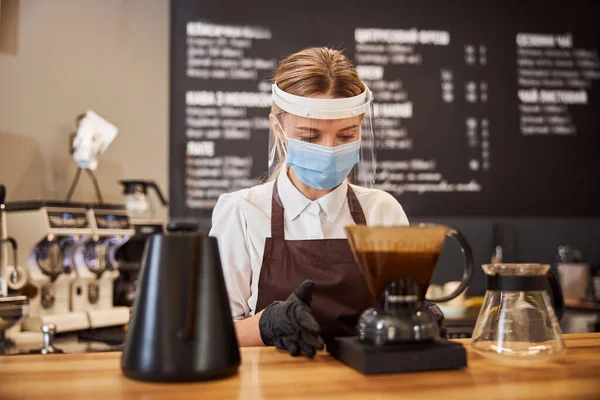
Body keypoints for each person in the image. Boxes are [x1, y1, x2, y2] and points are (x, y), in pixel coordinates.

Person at [210, 47, 414, 357]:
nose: (330, 149)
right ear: (278, 129)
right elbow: (211, 333)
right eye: (309, 137)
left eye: (346, 136)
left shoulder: (383, 211)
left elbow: (401, 320)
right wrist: (265, 326)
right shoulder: (241, 213)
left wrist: (415, 318)